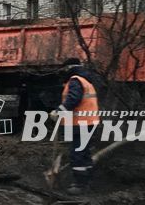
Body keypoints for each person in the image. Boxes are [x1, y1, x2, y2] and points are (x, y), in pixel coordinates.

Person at [50, 58, 100, 196]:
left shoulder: (75, 80)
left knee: (77, 154)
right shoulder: (85, 80)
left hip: (82, 123)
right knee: (84, 154)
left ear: (68, 68)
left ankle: (79, 185)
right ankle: (88, 182)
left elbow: (73, 98)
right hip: (89, 122)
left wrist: (58, 111)